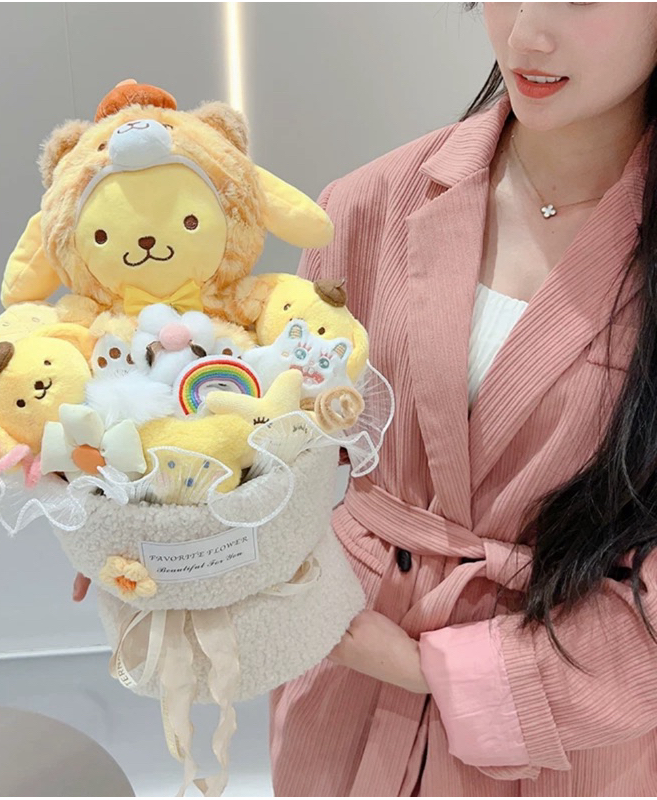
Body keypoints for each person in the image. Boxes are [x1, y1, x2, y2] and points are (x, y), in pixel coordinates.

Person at [268, 3, 657, 796]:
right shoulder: (367, 203)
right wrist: (167, 528)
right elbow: (279, 441)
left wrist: (435, 670)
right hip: (342, 694)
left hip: (565, 745)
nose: (527, 34)